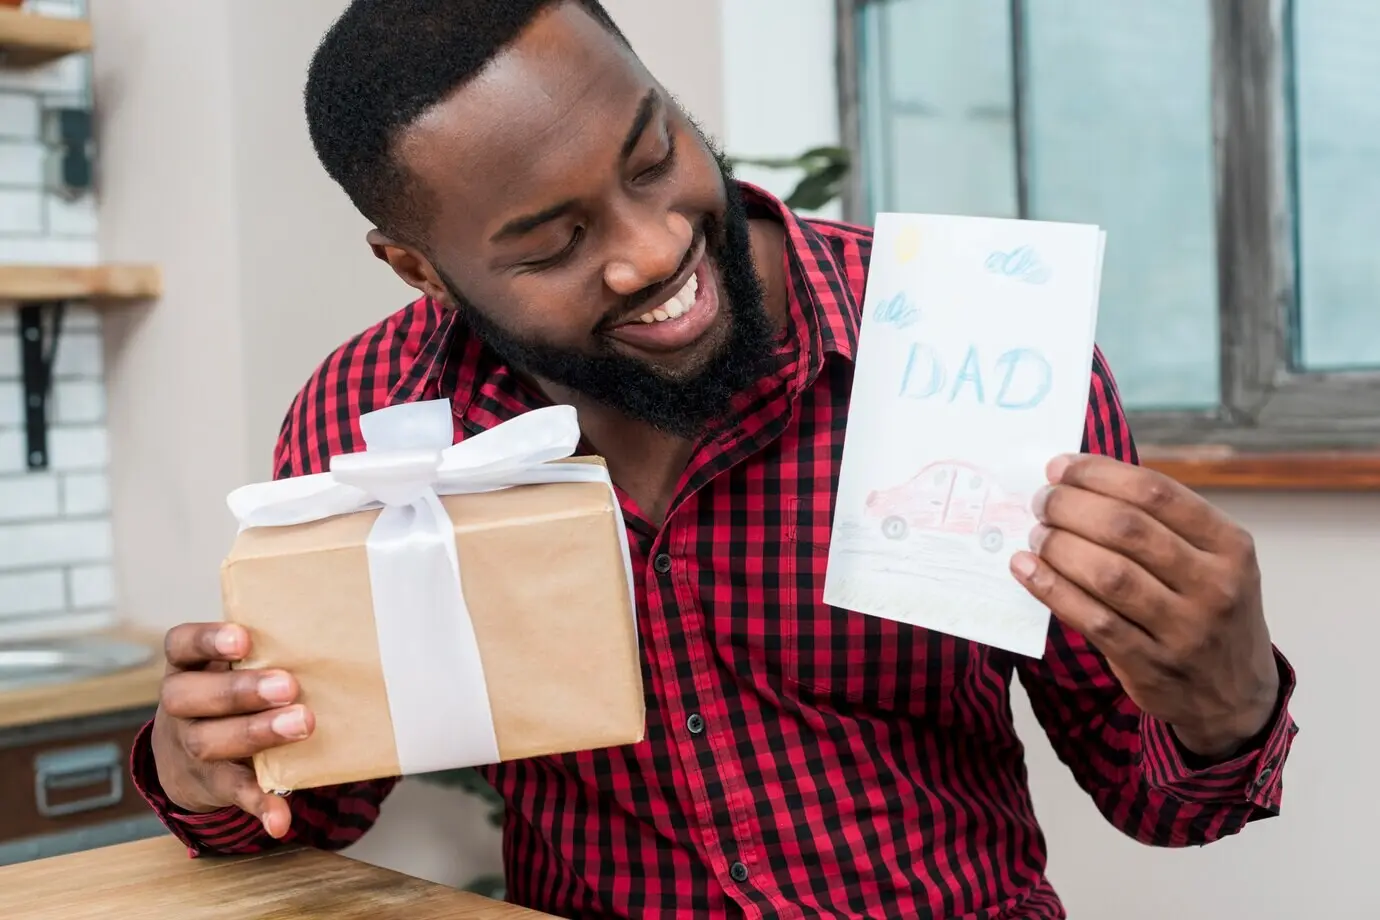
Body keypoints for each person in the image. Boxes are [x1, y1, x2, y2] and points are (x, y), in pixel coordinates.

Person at [131, 1, 1299, 917]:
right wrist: (209, 764)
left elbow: (1163, 798)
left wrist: (1229, 693)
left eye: (652, 159)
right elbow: (313, 805)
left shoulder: (971, 358)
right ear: (418, 268)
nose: (651, 252)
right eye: (553, 241)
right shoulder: (370, 419)